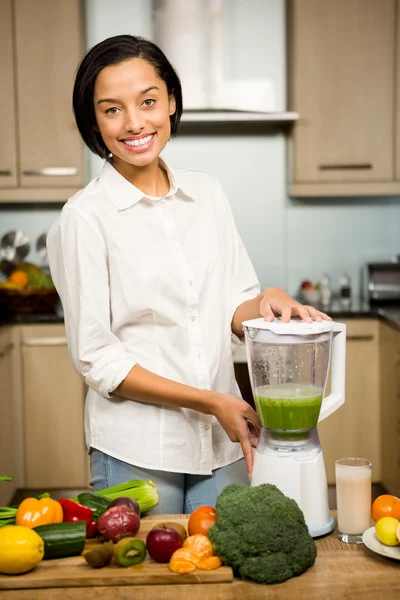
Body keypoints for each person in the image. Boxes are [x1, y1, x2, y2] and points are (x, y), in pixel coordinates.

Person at [46, 34, 330, 514]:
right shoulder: (84, 217)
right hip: (136, 449)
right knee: (147, 585)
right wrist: (210, 401)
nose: (135, 123)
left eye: (149, 101)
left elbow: (234, 304)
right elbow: (97, 357)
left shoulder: (208, 194)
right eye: (112, 109)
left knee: (227, 580)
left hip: (222, 441)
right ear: (93, 120)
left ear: (171, 103)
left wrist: (267, 301)